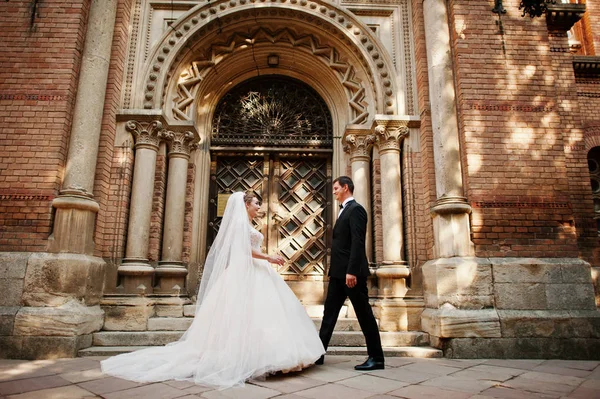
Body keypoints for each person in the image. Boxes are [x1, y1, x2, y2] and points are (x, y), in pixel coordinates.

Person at [101, 192, 325, 388]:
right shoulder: (239, 225)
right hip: (245, 271)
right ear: (246, 204)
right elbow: (244, 250)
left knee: (259, 315)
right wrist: (269, 257)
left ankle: (269, 357)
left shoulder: (246, 224)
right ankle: (250, 358)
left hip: (254, 271)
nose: (259, 207)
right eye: (256, 203)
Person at [316, 176, 384, 370]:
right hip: (338, 275)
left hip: (351, 275)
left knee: (364, 315)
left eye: (336, 188)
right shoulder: (344, 211)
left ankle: (377, 358)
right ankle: (319, 354)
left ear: (346, 188)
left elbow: (357, 242)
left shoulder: (356, 210)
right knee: (329, 314)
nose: (334, 191)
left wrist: (352, 271)